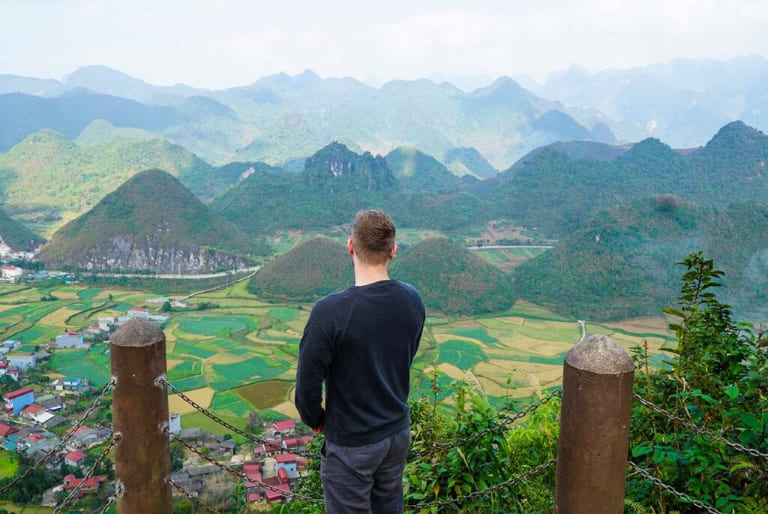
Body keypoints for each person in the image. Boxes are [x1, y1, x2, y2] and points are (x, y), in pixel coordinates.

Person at [295, 209, 425, 513]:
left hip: (352, 443)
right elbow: (406, 355)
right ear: (392, 251)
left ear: (350, 246)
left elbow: (307, 385)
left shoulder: (330, 312)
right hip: (396, 434)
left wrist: (315, 419)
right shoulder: (412, 299)